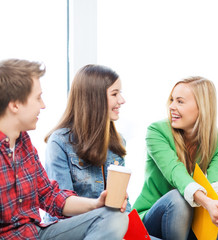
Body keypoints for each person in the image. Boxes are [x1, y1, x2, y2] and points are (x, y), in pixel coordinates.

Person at [0, 59, 128, 239]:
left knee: (114, 216)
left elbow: (50, 196)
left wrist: (97, 204)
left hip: (37, 234)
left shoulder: (24, 144)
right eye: (38, 98)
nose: (43, 105)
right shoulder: (59, 141)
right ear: (15, 105)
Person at [133, 76, 218, 240]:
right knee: (178, 199)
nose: (172, 106)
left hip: (188, 221)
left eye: (180, 102)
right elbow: (176, 173)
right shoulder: (157, 131)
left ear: (202, 107)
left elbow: (217, 179)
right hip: (150, 219)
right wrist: (208, 203)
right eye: (172, 100)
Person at [43, 64, 130, 223]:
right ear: (94, 98)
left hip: (109, 225)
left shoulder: (118, 141)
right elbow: (61, 207)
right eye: (115, 94)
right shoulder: (59, 142)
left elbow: (123, 205)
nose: (122, 100)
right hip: (72, 228)